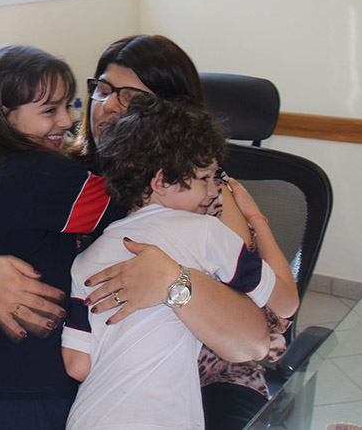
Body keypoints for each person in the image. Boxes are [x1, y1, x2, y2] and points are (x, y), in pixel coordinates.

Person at [0, 36, 274, 429]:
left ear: (172, 118)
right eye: (102, 89)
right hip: (60, 385)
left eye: (132, 98)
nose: (110, 105)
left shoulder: (206, 198)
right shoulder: (57, 169)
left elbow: (258, 336)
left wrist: (176, 281)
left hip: (185, 386)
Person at [62, 96, 298, 430]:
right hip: (163, 419)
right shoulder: (206, 233)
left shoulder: (86, 260)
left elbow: (77, 365)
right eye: (206, 178)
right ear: (161, 182)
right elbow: (286, 302)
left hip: (90, 418)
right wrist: (255, 218)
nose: (213, 191)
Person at [0, 45, 128, 429]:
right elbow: (127, 203)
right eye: (50, 110)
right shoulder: (40, 173)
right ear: (5, 115)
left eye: (69, 105)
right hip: (32, 385)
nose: (68, 120)